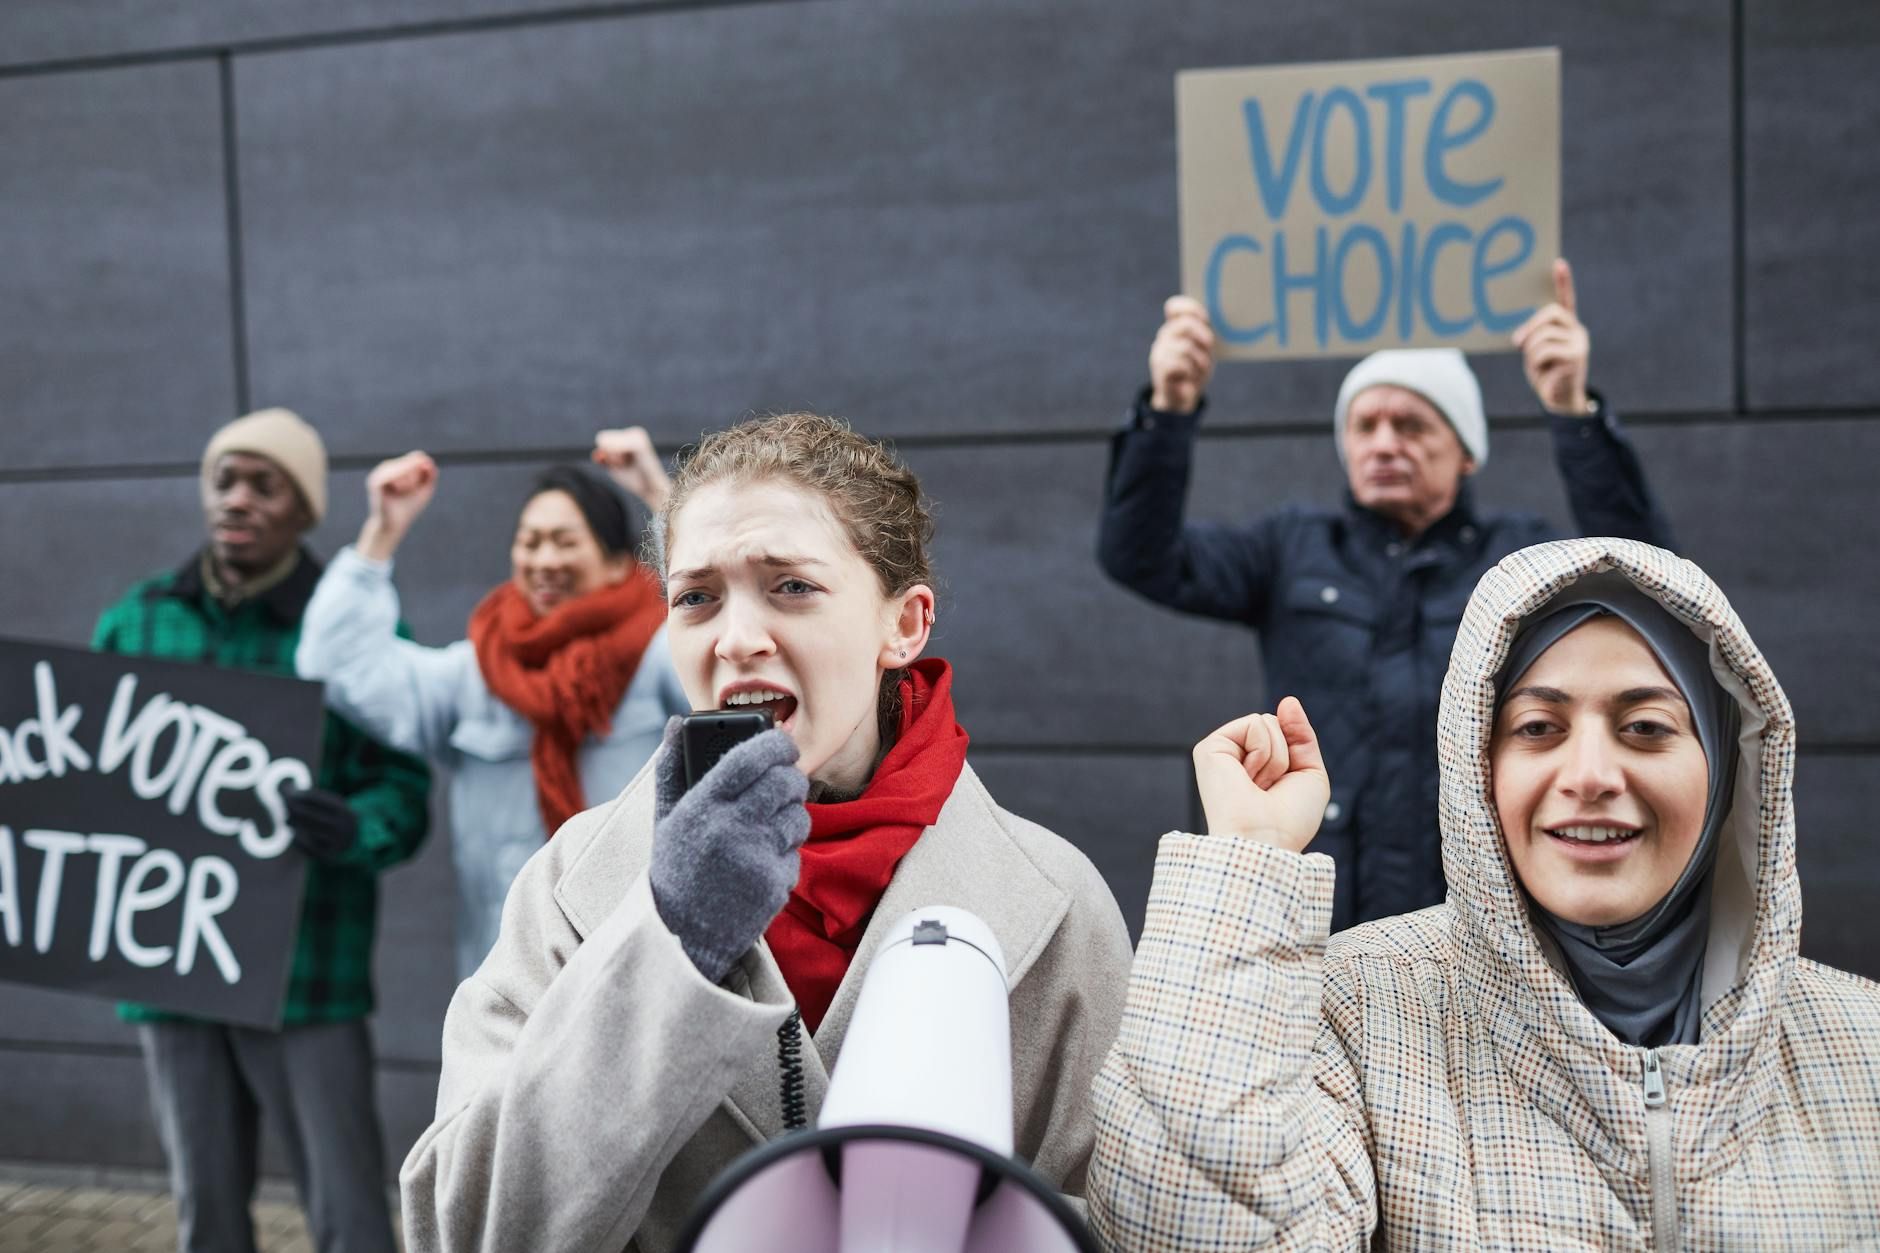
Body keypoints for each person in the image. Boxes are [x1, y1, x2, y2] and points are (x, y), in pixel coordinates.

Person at [400, 412, 1134, 1253]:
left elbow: (1118, 1225)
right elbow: (463, 1233)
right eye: (696, 597)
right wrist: (669, 947)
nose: (737, 638)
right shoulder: (575, 882)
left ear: (906, 624)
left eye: (791, 586)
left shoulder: (1056, 897)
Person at [1087, 537, 1880, 1250]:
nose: (1592, 775)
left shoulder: (1862, 1044)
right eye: (1538, 727)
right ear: (1477, 765)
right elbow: (1190, 1227)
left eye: (1646, 727)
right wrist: (1248, 861)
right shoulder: (1359, 1014)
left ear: (1727, 764)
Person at [1097, 260, 1676, 930]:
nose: (1384, 444)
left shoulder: (1518, 555)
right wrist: (1168, 408)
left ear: (1466, 451)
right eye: (1364, 425)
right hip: (1326, 914)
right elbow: (1138, 556)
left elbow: (1650, 579)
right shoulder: (1293, 546)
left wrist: (1573, 410)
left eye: (1412, 425)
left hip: (1475, 913)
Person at [92, 408, 432, 1253]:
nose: (237, 498)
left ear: (304, 509)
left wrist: (354, 825)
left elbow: (404, 787)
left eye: (263, 484)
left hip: (306, 969)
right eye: (224, 480)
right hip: (169, 963)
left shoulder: (350, 625)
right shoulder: (134, 622)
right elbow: (82, 780)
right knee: (202, 1206)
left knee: (348, 1209)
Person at [295, 429, 690, 979]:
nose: (543, 559)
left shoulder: (659, 655)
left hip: (635, 967)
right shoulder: (478, 672)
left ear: (620, 563)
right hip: (505, 981)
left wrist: (657, 494)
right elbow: (338, 666)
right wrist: (382, 531)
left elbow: (714, 632)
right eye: (529, 542)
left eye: (564, 541)